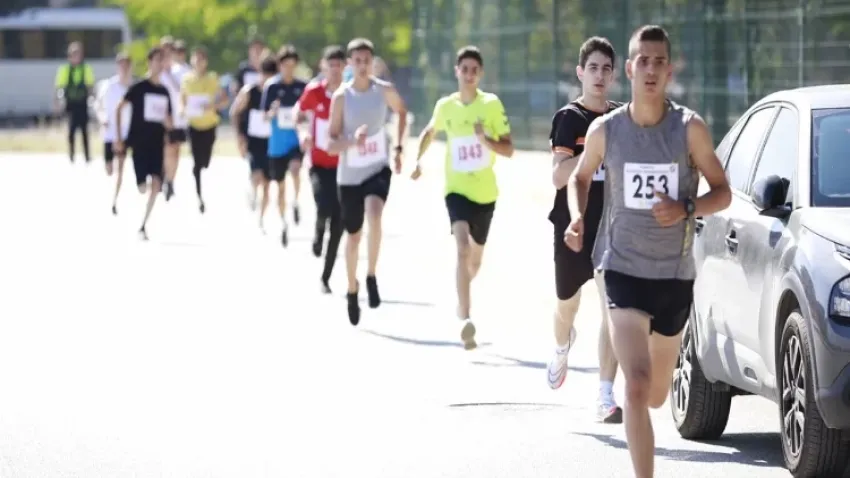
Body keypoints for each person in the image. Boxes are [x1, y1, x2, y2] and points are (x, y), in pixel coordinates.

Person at [565, 25, 731, 478]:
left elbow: (723, 192)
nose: (651, 69)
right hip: (621, 268)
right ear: (630, 69)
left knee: (656, 394)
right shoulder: (606, 130)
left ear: (669, 71)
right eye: (644, 60)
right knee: (635, 388)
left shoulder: (689, 129)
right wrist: (578, 216)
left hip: (673, 277)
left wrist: (686, 207)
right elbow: (580, 177)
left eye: (660, 62)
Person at [411, 46, 513, 350]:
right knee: (461, 248)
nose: (469, 75)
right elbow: (429, 132)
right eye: (464, 69)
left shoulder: (491, 105)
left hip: (485, 194)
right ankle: (466, 319)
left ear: (480, 74)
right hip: (456, 191)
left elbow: (508, 149)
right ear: (456, 71)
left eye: (474, 70)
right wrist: (418, 160)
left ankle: (461, 297)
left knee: (475, 260)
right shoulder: (446, 106)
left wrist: (485, 139)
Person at [546, 37, 624, 424]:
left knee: (614, 308)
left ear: (614, 75)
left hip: (612, 228)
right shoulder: (569, 119)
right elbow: (558, 176)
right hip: (573, 225)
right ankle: (562, 345)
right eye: (592, 68)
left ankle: (605, 395)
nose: (599, 75)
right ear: (580, 73)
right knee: (567, 305)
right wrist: (591, 154)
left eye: (606, 69)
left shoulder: (622, 118)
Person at [327, 38, 408, 326]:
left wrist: (398, 148)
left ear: (373, 63)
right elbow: (331, 144)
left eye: (367, 61)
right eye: (357, 61)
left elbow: (401, 111)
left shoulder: (383, 90)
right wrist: (353, 141)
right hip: (349, 175)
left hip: (377, 167)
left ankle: (371, 274)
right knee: (353, 236)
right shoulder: (341, 97)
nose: (362, 66)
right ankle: (352, 288)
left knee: (375, 214)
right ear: (350, 64)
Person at [297, 45, 346, 293]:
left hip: (345, 168)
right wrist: (303, 133)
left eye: (339, 65)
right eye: (331, 65)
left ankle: (325, 277)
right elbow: (299, 114)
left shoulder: (350, 95)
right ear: (323, 66)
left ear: (345, 67)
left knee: (339, 224)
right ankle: (318, 232)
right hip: (318, 164)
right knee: (324, 207)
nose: (335, 70)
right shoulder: (314, 92)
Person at [113, 47, 175, 240]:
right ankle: (134, 208)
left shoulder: (164, 91)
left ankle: (143, 225)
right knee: (142, 187)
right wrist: (119, 137)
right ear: (149, 62)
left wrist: (167, 122)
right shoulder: (139, 87)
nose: (159, 64)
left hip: (157, 144)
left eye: (162, 60)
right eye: (156, 60)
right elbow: (119, 108)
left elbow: (170, 122)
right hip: (139, 144)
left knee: (156, 184)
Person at [261, 45, 308, 246]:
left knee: (296, 170)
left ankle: (296, 201)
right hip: (276, 145)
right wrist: (273, 111)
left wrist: (303, 118)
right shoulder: (271, 87)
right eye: (285, 65)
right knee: (279, 188)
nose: (289, 69)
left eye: (292, 65)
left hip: (295, 140)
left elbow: (308, 113)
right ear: (279, 65)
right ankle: (283, 223)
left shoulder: (302, 87)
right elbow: (264, 116)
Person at [230, 55, 278, 225]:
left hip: (271, 141)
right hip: (253, 139)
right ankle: (252, 192)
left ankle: (262, 218)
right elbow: (235, 112)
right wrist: (239, 136)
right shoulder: (250, 91)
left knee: (267, 183)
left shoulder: (277, 93)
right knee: (256, 174)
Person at [181, 46, 228, 213]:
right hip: (193, 124)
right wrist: (182, 109)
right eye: (196, 59)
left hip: (209, 124)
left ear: (206, 62)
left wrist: (213, 106)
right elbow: (183, 99)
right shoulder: (187, 79)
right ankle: (199, 196)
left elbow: (224, 100)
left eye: (201, 59)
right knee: (196, 163)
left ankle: (201, 167)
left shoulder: (213, 78)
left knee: (205, 161)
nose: (198, 62)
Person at [94, 52, 134, 215]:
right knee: (109, 169)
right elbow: (98, 105)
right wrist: (102, 118)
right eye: (121, 65)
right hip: (109, 133)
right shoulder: (109, 85)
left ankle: (114, 201)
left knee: (120, 168)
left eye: (126, 65)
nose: (124, 68)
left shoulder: (133, 87)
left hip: (125, 134)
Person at [54, 41, 95, 164]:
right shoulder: (65, 69)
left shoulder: (86, 68)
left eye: (78, 54)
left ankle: (87, 156)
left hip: (82, 103)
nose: (76, 57)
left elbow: (90, 85)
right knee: (71, 130)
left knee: (84, 130)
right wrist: (57, 102)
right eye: (73, 54)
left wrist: (92, 99)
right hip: (70, 104)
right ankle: (71, 154)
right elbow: (58, 86)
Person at [159, 36, 188, 200]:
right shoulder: (157, 71)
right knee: (165, 148)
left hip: (178, 117)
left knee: (175, 150)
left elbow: (183, 90)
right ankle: (163, 175)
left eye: (170, 50)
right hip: (162, 118)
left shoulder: (180, 70)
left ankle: (171, 180)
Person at [233, 37, 267, 171]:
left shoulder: (269, 68)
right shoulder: (244, 69)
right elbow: (236, 87)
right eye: (254, 49)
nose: (257, 52)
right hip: (246, 112)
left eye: (260, 49)